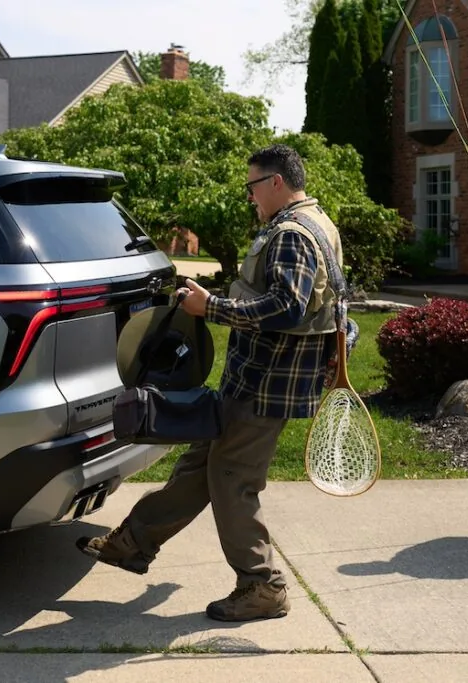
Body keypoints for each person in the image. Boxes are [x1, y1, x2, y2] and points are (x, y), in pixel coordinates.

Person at [75, 144, 345, 621]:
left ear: (276, 183)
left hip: (266, 387)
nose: (250, 197)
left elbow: (289, 308)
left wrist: (212, 309)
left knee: (231, 480)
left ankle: (263, 587)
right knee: (199, 466)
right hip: (257, 381)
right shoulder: (317, 223)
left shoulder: (291, 235)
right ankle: (132, 543)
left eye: (252, 186)